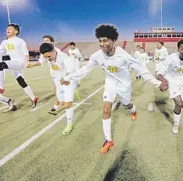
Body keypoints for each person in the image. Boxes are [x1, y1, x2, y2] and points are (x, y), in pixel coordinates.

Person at [61, 24, 167, 154]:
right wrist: (69, 77)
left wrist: (157, 83)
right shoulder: (96, 56)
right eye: (100, 40)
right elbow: (85, 70)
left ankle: (133, 110)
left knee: (127, 104)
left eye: (105, 40)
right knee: (106, 110)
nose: (102, 43)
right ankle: (108, 140)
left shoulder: (124, 56)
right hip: (110, 84)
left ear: (114, 40)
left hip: (124, 86)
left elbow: (142, 70)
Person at [0, 24, 39, 108]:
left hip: (20, 62)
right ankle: (33, 97)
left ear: (16, 31)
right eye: (6, 29)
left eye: (10, 28)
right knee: (21, 81)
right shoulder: (4, 42)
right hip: (13, 63)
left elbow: (25, 53)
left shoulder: (20, 41)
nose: (7, 30)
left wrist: (27, 62)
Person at [156, 39, 183, 134]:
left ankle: (177, 113)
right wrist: (164, 80)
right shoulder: (171, 58)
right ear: (178, 49)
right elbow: (159, 72)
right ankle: (176, 124)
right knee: (178, 102)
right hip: (172, 82)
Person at [39, 43, 77, 134]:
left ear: (53, 51)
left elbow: (71, 70)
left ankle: (69, 124)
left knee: (67, 104)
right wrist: (56, 81)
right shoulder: (48, 57)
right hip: (58, 83)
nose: (48, 59)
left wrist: (66, 78)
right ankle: (73, 95)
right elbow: (52, 69)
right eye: (45, 57)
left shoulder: (64, 57)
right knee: (62, 102)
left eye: (49, 56)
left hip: (68, 82)